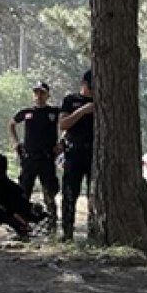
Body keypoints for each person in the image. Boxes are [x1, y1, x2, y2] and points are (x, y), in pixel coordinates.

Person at [8, 81, 61, 231]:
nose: (39, 96)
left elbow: (66, 124)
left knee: (49, 192)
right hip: (29, 158)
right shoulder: (26, 112)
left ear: (48, 95)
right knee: (24, 192)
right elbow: (11, 124)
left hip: (47, 158)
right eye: (36, 92)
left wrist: (62, 143)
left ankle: (52, 226)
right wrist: (16, 143)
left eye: (42, 92)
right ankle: (22, 226)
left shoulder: (54, 112)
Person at [58, 70, 95, 241]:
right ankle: (67, 233)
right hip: (74, 152)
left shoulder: (100, 101)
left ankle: (94, 233)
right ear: (83, 84)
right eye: (91, 87)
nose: (93, 90)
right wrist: (82, 111)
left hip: (94, 154)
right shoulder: (71, 100)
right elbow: (63, 124)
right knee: (69, 193)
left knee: (94, 195)